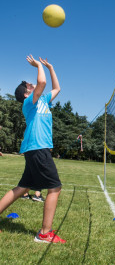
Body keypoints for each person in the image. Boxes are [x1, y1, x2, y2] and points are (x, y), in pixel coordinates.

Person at [0, 55, 65, 243]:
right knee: (54, 187)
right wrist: (38, 66)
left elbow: (57, 88)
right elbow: (42, 82)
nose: (32, 84)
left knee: (22, 188)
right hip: (37, 147)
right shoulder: (29, 103)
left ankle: (45, 232)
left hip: (35, 148)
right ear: (26, 95)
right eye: (29, 86)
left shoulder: (43, 100)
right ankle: (45, 233)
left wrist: (51, 67)